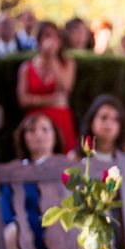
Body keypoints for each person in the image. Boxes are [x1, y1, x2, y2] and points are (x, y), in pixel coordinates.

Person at [1, 113, 65, 249]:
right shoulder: (14, 172)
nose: (38, 135)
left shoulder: (69, 169)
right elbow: (5, 212)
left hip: (64, 234)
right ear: (23, 137)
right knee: (13, 232)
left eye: (45, 129)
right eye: (31, 130)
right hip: (29, 234)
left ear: (55, 137)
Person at [16, 21, 77, 153]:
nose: (52, 40)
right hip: (35, 124)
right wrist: (51, 100)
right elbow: (22, 100)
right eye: (47, 36)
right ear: (39, 40)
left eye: (57, 37)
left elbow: (66, 87)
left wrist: (52, 58)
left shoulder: (67, 63)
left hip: (61, 121)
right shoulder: (26, 67)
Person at [70, 94, 125, 162]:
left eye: (116, 119)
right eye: (104, 117)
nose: (109, 123)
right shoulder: (75, 158)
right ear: (91, 122)